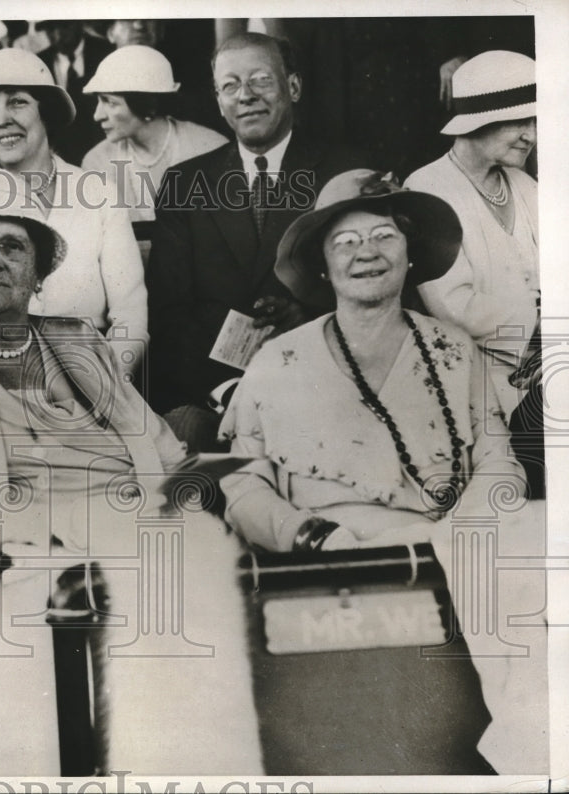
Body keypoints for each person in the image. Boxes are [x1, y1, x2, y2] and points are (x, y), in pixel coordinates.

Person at [0, 174, 262, 776]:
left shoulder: (81, 343)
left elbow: (165, 454)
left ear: (37, 276)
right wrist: (84, 531)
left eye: (13, 247)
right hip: (9, 563)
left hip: (138, 539)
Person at [218, 167, 546, 774]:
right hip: (338, 568)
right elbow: (242, 482)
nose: (366, 253)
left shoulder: (453, 347)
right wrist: (312, 535)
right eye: (345, 242)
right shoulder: (276, 360)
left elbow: (498, 459)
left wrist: (470, 526)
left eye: (384, 237)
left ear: (410, 254)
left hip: (453, 554)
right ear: (322, 265)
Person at [146, 32, 363, 450]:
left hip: (321, 380)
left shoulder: (345, 171)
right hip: (215, 395)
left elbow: (372, 294)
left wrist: (309, 317)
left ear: (293, 87)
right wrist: (228, 392)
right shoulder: (184, 183)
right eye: (230, 86)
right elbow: (169, 315)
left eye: (261, 80)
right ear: (218, 100)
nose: (245, 96)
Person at [0, 48, 147, 376]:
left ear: (46, 113)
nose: (1, 119)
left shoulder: (99, 193)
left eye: (17, 102)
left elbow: (130, 314)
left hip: (87, 377)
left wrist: (108, 385)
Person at [404, 52, 541, 494]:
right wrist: (542, 340)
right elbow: (455, 308)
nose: (531, 136)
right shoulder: (426, 189)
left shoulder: (526, 186)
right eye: (521, 121)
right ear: (478, 119)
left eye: (536, 121)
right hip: (488, 388)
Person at [80, 44, 228, 259]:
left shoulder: (210, 148)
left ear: (146, 105)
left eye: (109, 102)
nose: (97, 115)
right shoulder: (97, 163)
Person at [35, 20, 114, 165]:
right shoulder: (39, 62)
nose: (58, 35)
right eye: (50, 29)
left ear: (79, 24)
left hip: (102, 149)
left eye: (64, 26)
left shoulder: (106, 52)